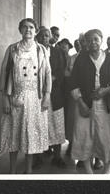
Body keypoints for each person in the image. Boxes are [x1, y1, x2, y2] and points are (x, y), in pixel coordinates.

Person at [0, 18, 51, 174]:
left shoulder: (41, 49)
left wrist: (47, 94)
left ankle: (28, 172)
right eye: (25, 27)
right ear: (20, 30)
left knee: (31, 135)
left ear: (35, 31)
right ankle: (12, 171)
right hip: (15, 96)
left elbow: (47, 73)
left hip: (35, 98)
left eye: (31, 27)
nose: (28, 30)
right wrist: (5, 98)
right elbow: (4, 73)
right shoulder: (12, 49)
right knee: (13, 134)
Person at [70, 29, 110, 174]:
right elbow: (73, 82)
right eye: (89, 40)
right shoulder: (81, 58)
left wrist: (106, 90)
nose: (93, 42)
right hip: (85, 104)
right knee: (84, 136)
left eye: (96, 39)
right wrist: (80, 103)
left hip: (108, 105)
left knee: (108, 136)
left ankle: (107, 171)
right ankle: (89, 172)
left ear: (101, 40)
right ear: (86, 43)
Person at [45, 26, 67, 168]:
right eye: (41, 36)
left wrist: (53, 78)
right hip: (38, 96)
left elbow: (62, 70)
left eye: (46, 36)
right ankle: (37, 157)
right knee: (39, 125)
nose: (44, 38)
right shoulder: (32, 51)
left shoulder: (58, 51)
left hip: (55, 94)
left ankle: (58, 157)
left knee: (57, 124)